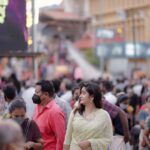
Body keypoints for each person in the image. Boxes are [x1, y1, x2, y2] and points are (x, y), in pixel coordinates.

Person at [64, 81, 113, 150]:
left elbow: (108, 139)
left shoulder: (104, 115)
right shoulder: (75, 112)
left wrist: (90, 143)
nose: (80, 96)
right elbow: (67, 138)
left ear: (92, 97)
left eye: (83, 93)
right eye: (80, 93)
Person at [32, 80, 65, 150]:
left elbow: (61, 138)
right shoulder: (38, 106)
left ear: (46, 94)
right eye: (35, 92)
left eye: (37, 92)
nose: (34, 95)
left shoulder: (55, 112)